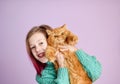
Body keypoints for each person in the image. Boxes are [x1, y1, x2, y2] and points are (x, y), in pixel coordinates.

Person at [25, 24, 102, 84]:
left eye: (41, 43)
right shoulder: (42, 76)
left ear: (51, 41)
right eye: (32, 47)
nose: (37, 49)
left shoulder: (73, 55)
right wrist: (62, 67)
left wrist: (77, 51)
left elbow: (96, 73)